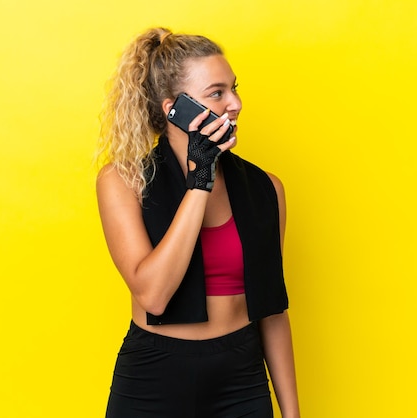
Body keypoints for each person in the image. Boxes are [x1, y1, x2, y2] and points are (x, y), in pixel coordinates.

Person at [96, 27, 300, 418]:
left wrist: (292, 413)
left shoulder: (266, 189)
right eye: (217, 93)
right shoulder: (122, 182)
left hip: (241, 378)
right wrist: (199, 181)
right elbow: (153, 295)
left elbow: (272, 310)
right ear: (174, 108)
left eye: (234, 89)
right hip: (154, 378)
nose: (235, 103)